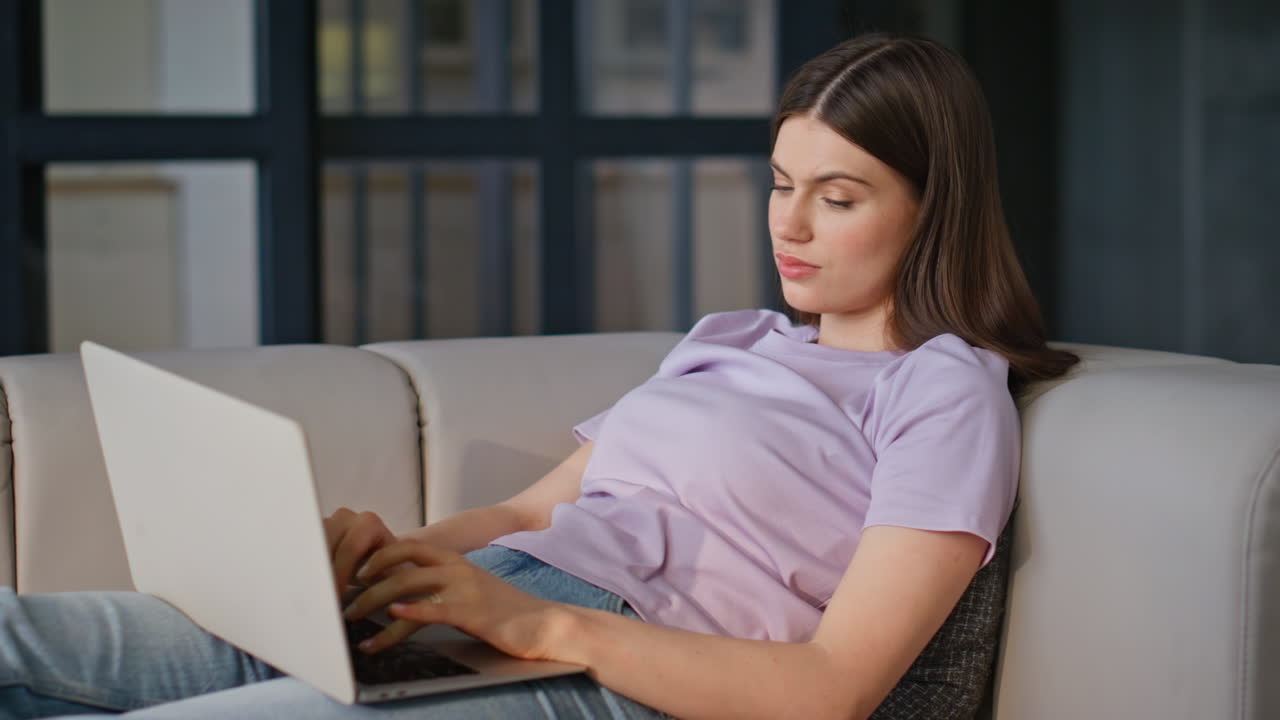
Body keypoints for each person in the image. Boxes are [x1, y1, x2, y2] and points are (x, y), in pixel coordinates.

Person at [0, 32, 1078, 720]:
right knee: (21, 639)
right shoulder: (733, 337)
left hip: (608, 676)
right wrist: (396, 554)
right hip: (486, 618)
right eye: (780, 183)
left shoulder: (942, 393)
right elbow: (528, 509)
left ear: (931, 207)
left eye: (836, 198)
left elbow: (831, 691)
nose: (787, 225)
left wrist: (534, 630)